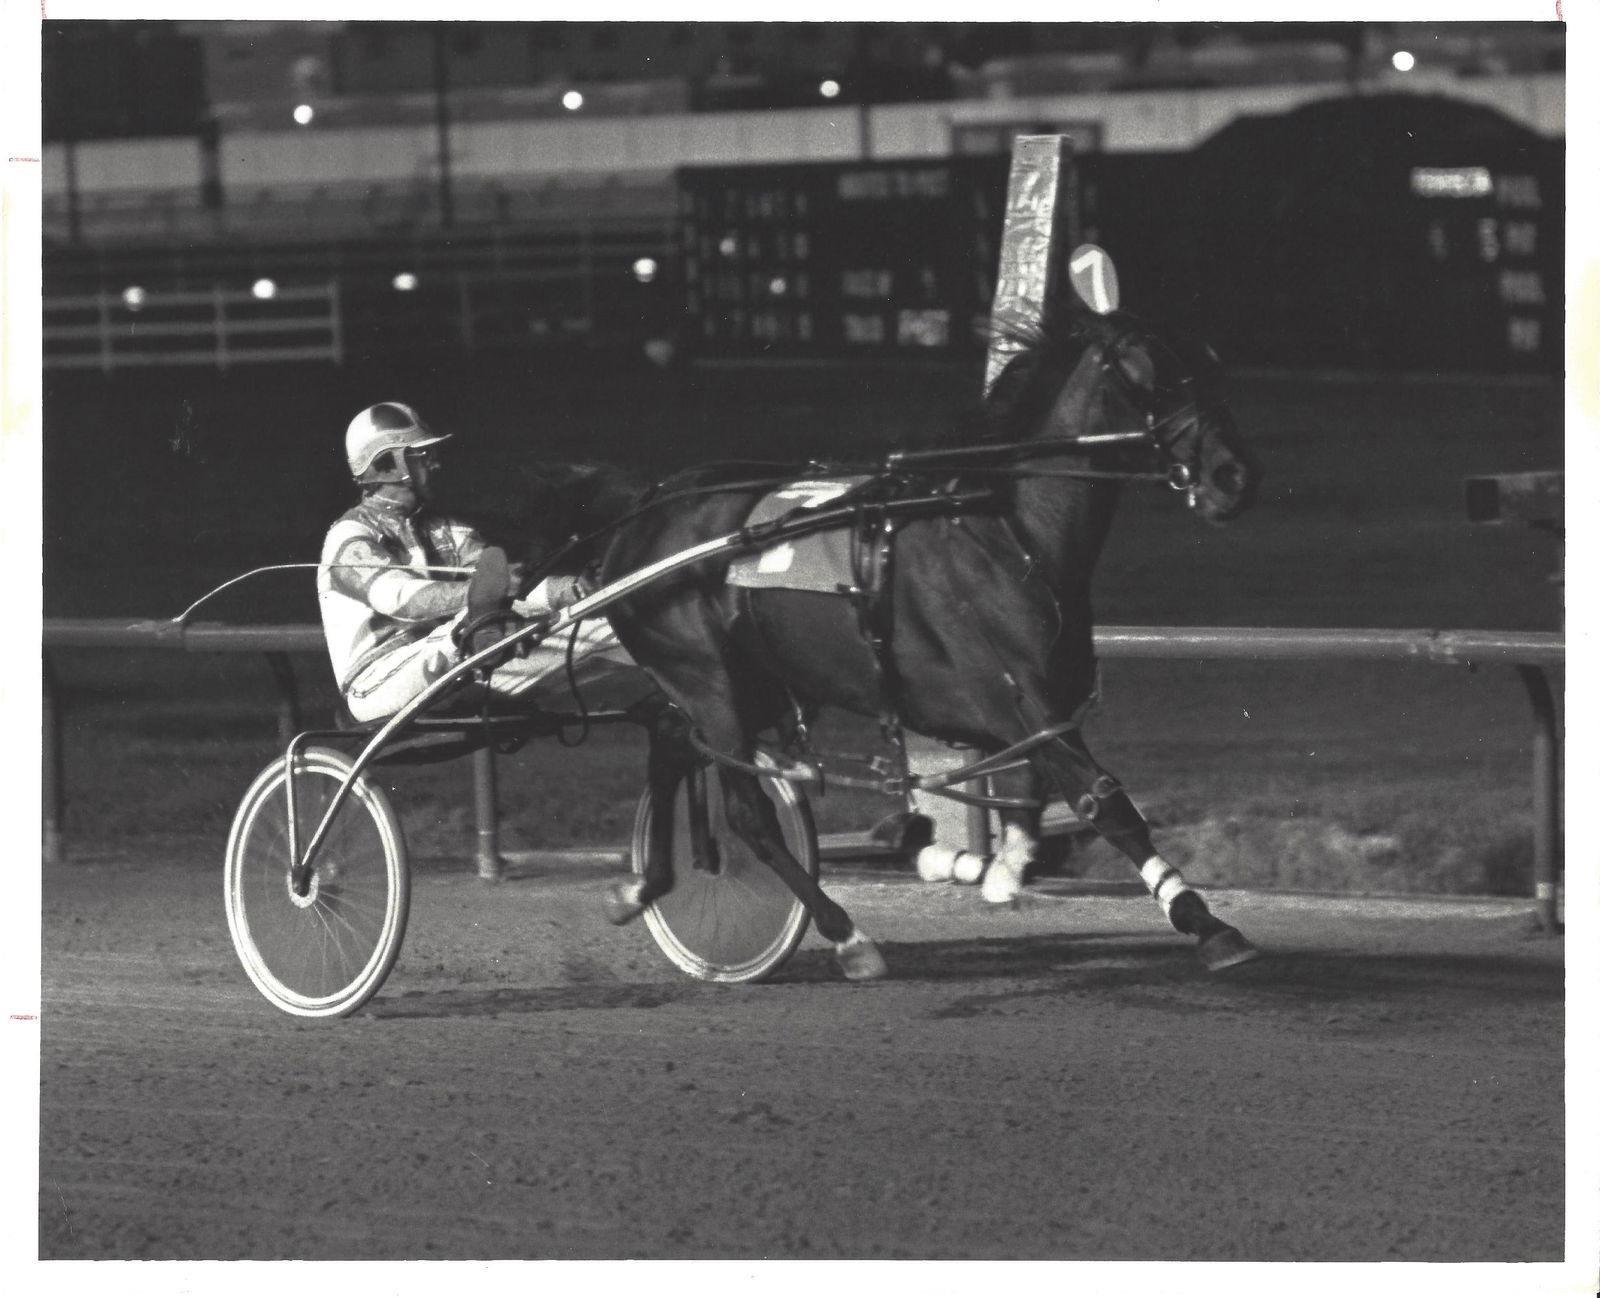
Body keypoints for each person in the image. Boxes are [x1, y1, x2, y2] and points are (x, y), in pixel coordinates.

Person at [318, 401, 640, 723]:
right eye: (421, 455)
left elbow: (506, 587)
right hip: (377, 684)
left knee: (609, 629)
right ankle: (473, 631)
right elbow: (402, 599)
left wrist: (574, 591)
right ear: (387, 465)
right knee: (472, 621)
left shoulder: (446, 527)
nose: (435, 464)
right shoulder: (350, 535)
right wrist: (482, 596)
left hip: (461, 671)